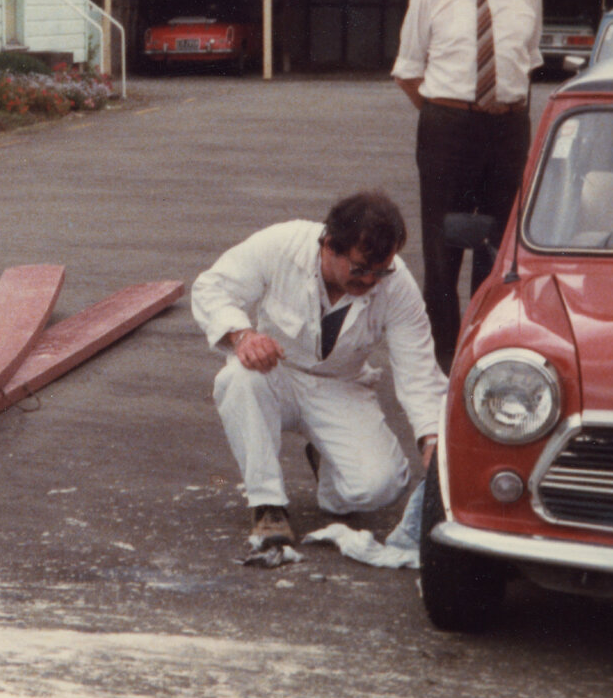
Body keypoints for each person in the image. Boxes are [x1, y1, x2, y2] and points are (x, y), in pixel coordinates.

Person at [190, 191, 447, 549]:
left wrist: (432, 438)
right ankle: (267, 505)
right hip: (276, 372)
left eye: (380, 270)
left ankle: (327, 467)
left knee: (380, 488)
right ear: (329, 245)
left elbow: (417, 368)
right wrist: (243, 335)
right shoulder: (282, 244)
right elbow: (211, 287)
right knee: (238, 378)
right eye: (360, 269)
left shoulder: (396, 284)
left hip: (339, 386)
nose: (371, 280)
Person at [390, 0, 543, 368]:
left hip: (509, 128)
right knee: (442, 247)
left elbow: (526, 64)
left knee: (499, 244)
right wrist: (448, 114)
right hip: (447, 128)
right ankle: (444, 359)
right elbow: (407, 72)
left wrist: (498, 114)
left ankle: (485, 348)